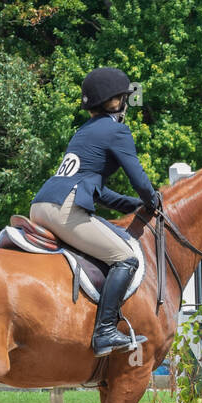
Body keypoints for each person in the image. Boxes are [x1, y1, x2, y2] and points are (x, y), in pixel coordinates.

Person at [29, 67, 163, 356]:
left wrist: (133, 205)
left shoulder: (84, 131)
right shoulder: (116, 130)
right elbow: (138, 176)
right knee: (126, 257)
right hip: (64, 208)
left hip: (41, 205)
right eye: (124, 98)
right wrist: (152, 200)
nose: (126, 103)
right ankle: (104, 332)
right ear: (114, 102)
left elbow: (96, 190)